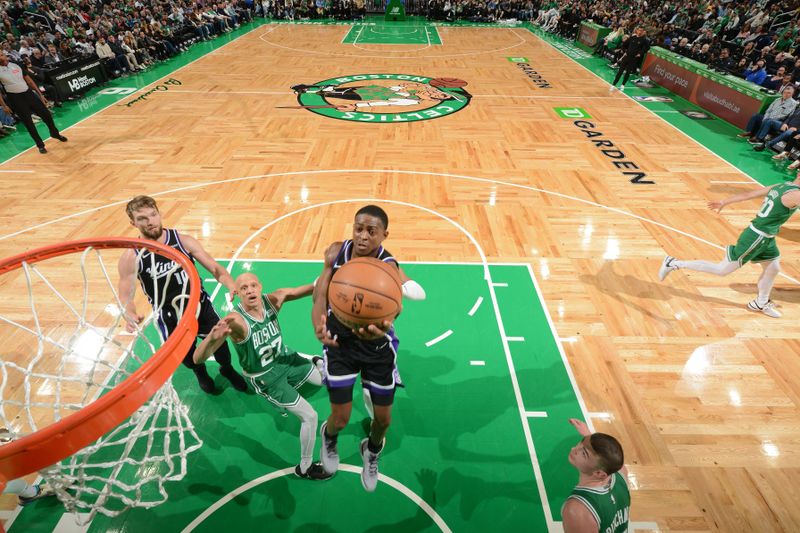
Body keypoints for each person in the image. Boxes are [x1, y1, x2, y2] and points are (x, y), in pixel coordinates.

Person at [311, 205, 426, 492]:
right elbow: (320, 296)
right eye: (358, 229)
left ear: (384, 235)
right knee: (340, 417)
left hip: (376, 348)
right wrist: (319, 327)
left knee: (383, 421)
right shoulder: (335, 253)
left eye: (371, 231)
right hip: (340, 345)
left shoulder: (389, 266)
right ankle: (329, 436)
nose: (363, 236)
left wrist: (385, 324)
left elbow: (400, 304)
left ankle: (371, 450)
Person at [194, 272, 332, 480]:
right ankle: (305, 467)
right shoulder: (235, 321)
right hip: (266, 377)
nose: (249, 290)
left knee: (324, 378)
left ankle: (307, 364)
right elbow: (197, 358)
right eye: (243, 288)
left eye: (252, 286)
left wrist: (334, 275)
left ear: (260, 287)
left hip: (285, 359)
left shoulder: (274, 300)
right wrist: (212, 338)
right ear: (238, 294)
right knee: (310, 417)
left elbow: (311, 288)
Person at [118, 195, 248, 393]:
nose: (150, 221)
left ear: (159, 214)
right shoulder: (132, 256)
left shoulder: (183, 241)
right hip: (169, 314)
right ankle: (200, 373)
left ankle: (227, 369)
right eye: (142, 218)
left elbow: (214, 267)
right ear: (133, 223)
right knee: (186, 354)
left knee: (220, 341)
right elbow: (126, 291)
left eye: (153, 215)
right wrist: (130, 314)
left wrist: (230, 283)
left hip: (199, 304)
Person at [659, 176, 800, 317]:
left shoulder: (780, 185)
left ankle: (760, 302)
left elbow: (749, 194)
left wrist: (724, 202)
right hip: (757, 237)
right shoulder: (796, 194)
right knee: (721, 270)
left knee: (773, 268)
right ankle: (674, 263)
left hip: (766, 237)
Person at [562, 419, 630, 533]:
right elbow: (610, 457)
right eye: (580, 443)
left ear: (599, 473)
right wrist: (588, 437)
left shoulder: (577, 510)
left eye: (584, 453)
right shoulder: (621, 473)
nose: (574, 449)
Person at [0, 52, 66, 154]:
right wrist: (4, 105)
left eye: (2, 54)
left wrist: (40, 94)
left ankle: (54, 133)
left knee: (46, 114)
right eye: (0, 55)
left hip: (28, 93)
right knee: (29, 123)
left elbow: (29, 80)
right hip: (15, 98)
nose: (3, 55)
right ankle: (40, 145)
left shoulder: (16, 64)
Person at [609, 26, 649, 92]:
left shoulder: (644, 40)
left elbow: (647, 48)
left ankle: (623, 85)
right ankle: (613, 84)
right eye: (639, 30)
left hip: (633, 58)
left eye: (641, 31)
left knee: (627, 72)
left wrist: (640, 53)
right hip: (626, 57)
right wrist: (624, 50)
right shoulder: (632, 37)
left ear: (643, 32)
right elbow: (624, 44)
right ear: (637, 31)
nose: (640, 31)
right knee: (620, 71)